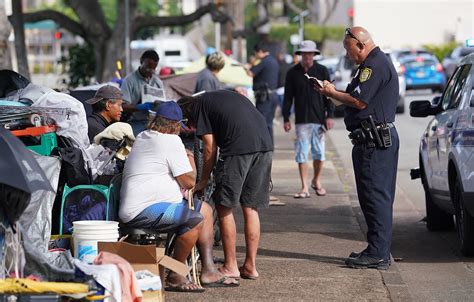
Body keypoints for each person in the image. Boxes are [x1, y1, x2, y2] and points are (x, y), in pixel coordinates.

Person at [119, 101, 238, 292]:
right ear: (176, 125)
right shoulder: (171, 141)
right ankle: (176, 273)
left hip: (140, 206)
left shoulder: (143, 136)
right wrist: (189, 157)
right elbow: (189, 182)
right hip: (143, 210)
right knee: (195, 220)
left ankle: (208, 270)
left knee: (205, 211)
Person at [315, 26, 399, 269]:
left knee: (376, 198)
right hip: (369, 140)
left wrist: (332, 92)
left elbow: (360, 101)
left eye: (348, 49)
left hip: (375, 141)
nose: (348, 55)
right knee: (371, 197)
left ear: (361, 45)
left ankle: (379, 254)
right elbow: (355, 97)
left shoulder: (374, 65)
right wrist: (330, 93)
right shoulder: (369, 65)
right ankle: (376, 248)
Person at [177, 90, 273, 280]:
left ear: (188, 112)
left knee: (224, 207)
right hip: (264, 144)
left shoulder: (200, 106)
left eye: (187, 123)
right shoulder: (220, 97)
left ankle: (231, 266)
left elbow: (210, 148)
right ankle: (250, 266)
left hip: (238, 149)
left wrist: (203, 180)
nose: (190, 127)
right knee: (251, 207)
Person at [283, 40, 335, 198]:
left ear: (314, 54)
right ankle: (304, 186)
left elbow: (330, 95)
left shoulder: (322, 70)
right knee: (302, 153)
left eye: (310, 53)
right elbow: (287, 98)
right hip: (301, 120)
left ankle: (316, 181)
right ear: (300, 55)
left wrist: (330, 115)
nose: (307, 56)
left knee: (319, 154)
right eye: (304, 53)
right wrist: (286, 118)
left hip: (319, 119)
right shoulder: (292, 73)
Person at [121, 49, 164, 135]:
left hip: (154, 123)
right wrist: (139, 107)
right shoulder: (129, 81)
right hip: (135, 122)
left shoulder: (157, 82)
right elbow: (122, 106)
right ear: (141, 61)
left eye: (153, 69)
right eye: (148, 67)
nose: (150, 70)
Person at [244, 42, 279, 141]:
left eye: (255, 53)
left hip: (264, 97)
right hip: (273, 94)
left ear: (259, 52)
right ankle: (270, 146)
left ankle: (264, 146)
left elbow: (251, 73)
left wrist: (247, 68)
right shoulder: (273, 61)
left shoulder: (263, 62)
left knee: (261, 122)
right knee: (269, 123)